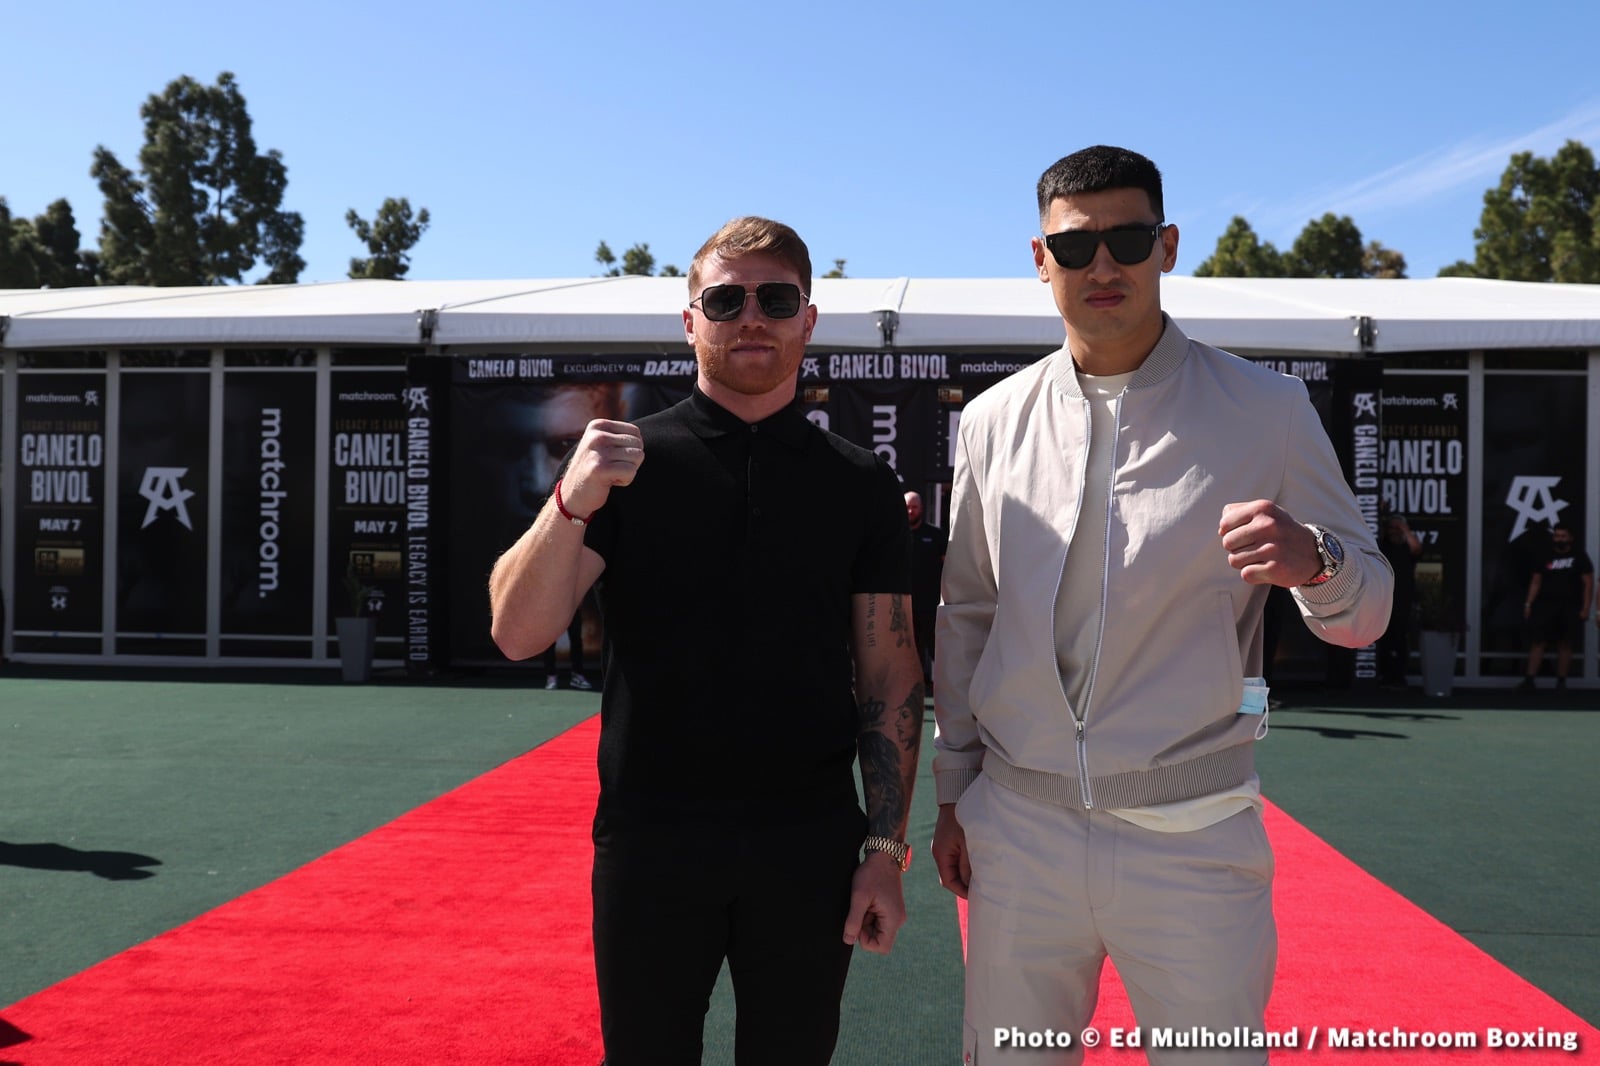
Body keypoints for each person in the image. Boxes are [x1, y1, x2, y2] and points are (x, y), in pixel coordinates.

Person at [931, 146, 1393, 1065]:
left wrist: (1317, 560)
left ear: (1168, 244)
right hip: (1019, 834)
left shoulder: (1270, 410)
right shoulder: (990, 420)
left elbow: (1366, 610)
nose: (1103, 265)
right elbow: (968, 620)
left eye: (1129, 238)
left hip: (1194, 839)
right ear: (1039, 258)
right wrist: (954, 798)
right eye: (1075, 247)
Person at [488, 216, 924, 1065]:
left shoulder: (859, 484)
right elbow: (516, 632)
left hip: (807, 844)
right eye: (725, 299)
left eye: (775, 298)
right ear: (690, 320)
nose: (750, 316)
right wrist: (571, 500)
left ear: (809, 317)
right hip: (651, 842)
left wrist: (884, 850)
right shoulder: (624, 464)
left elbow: (890, 674)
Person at [1518, 522, 1592, 691]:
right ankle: (1529, 680)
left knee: (1565, 643)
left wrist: (1586, 607)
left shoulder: (1579, 556)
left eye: (1563, 536)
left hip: (1570, 606)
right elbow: (1536, 582)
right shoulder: (1544, 555)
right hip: (1545, 606)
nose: (1560, 539)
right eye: (1557, 536)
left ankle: (1561, 682)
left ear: (1571, 538)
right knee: (1538, 642)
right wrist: (1528, 603)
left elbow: (1588, 583)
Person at [905, 490, 947, 687]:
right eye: (907, 507)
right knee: (911, 654)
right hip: (905, 608)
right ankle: (917, 689)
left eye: (914, 506)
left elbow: (949, 568)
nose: (910, 510)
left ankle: (948, 690)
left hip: (932, 607)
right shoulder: (895, 536)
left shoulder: (936, 536)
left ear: (921, 508)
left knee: (939, 652)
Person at [1377, 509, 1422, 687]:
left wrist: (1405, 529)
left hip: (1403, 602)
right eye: (1391, 528)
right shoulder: (1383, 545)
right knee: (1383, 640)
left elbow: (1417, 549)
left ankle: (1399, 678)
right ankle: (1383, 676)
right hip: (1382, 601)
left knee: (1401, 640)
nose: (1394, 531)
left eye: (1398, 528)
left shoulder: (1407, 547)